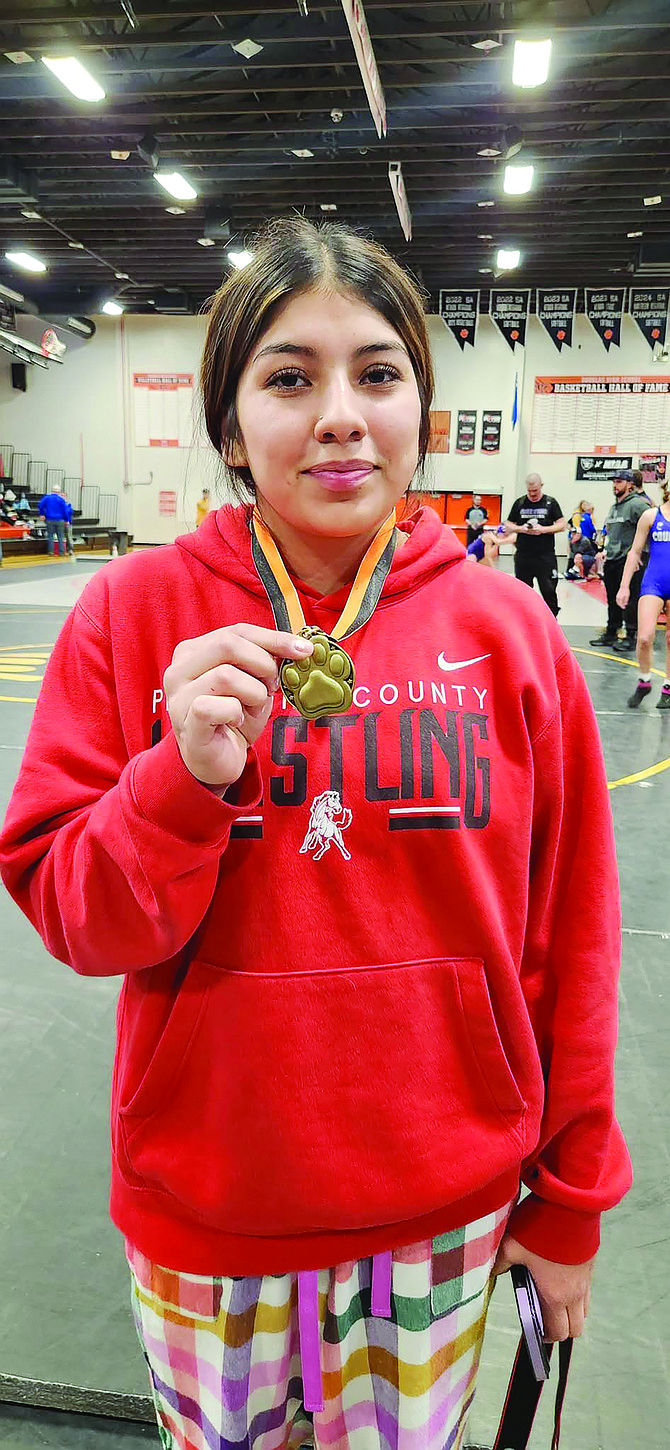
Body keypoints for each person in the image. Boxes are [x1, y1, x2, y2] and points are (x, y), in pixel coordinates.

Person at [0, 216, 631, 1450]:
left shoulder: (510, 633)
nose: (339, 413)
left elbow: (576, 939)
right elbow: (77, 916)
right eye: (289, 377)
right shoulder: (133, 615)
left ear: (420, 414)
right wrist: (175, 777)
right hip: (207, 1204)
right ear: (233, 425)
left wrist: (566, 1206)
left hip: (437, 1211)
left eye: (377, 374)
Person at [616, 480, 670, 710]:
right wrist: (624, 586)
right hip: (654, 582)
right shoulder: (651, 516)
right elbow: (635, 552)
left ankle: (668, 687)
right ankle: (645, 680)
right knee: (645, 637)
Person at [589, 469, 650, 653]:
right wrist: (604, 551)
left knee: (630, 598)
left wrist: (642, 552)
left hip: (629, 560)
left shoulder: (638, 505)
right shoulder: (614, 508)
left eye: (619, 482)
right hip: (613, 558)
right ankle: (611, 631)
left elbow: (652, 525)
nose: (615, 486)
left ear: (630, 484)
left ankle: (631, 635)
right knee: (613, 597)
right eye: (614, 482)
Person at [505, 473, 567, 616]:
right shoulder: (520, 503)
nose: (532, 494)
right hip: (524, 555)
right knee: (523, 590)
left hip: (545, 556)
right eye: (530, 491)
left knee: (548, 589)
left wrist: (543, 530)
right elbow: (508, 523)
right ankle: (524, 619)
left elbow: (562, 524)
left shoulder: (550, 503)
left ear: (541, 486)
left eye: (535, 491)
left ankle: (551, 620)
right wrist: (521, 529)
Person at [38, 483, 68, 557]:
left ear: (52, 490)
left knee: (50, 536)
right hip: (60, 520)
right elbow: (65, 510)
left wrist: (42, 514)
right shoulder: (61, 499)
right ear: (59, 491)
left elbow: (40, 505)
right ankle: (61, 552)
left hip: (49, 519)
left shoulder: (47, 498)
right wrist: (67, 520)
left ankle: (51, 552)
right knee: (60, 537)